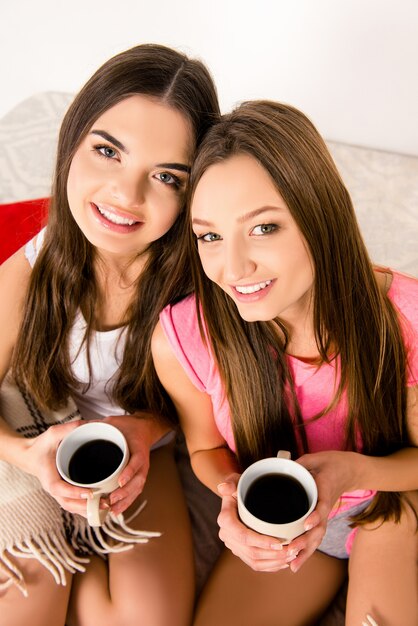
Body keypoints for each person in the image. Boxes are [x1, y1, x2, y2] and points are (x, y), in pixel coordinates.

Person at [152, 100, 418, 626]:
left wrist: (354, 472)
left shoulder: (406, 321)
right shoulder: (184, 337)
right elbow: (204, 446)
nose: (233, 268)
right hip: (286, 522)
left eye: (264, 228)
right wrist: (230, 491)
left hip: (390, 505)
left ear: (319, 216)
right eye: (209, 235)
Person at [0, 43, 220, 626]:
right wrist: (26, 453)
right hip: (38, 426)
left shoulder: (198, 284)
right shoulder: (39, 261)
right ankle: (56, 543)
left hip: (140, 450)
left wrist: (142, 432)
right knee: (26, 605)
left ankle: (74, 550)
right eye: (106, 151)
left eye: (166, 176)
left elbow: (196, 413)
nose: (127, 195)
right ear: (72, 140)